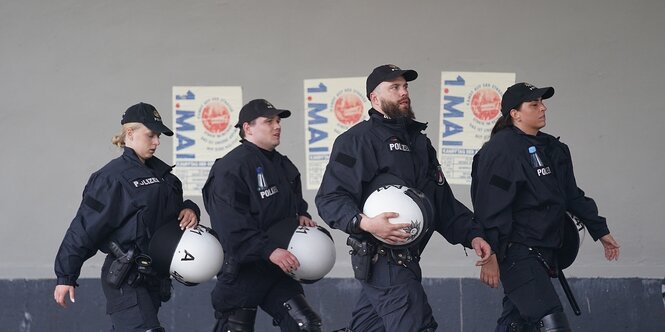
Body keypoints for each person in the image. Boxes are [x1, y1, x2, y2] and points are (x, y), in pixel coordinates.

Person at [315, 64, 493, 332]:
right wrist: (366, 223)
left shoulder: (420, 143)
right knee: (416, 326)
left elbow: (442, 203)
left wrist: (473, 235)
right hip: (382, 259)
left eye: (405, 86)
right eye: (394, 87)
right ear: (375, 98)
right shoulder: (356, 140)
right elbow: (330, 198)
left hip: (409, 258)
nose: (403, 92)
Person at [471, 82, 621, 331]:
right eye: (534, 104)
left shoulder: (554, 148)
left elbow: (571, 195)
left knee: (516, 323)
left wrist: (600, 231)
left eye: (542, 102)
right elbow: (490, 208)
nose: (543, 108)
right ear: (515, 113)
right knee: (550, 321)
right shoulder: (501, 150)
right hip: (517, 253)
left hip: (548, 250)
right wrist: (491, 256)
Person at [53, 102, 200, 332]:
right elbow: (84, 228)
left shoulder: (164, 177)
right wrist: (66, 276)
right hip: (125, 278)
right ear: (130, 134)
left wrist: (191, 209)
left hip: (153, 278)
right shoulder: (111, 178)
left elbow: (172, 213)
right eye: (150, 135)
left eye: (158, 136)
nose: (157, 142)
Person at [202, 99, 323, 332]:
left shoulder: (283, 165)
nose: (277, 126)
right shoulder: (230, 168)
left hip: (278, 269)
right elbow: (230, 227)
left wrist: (302, 216)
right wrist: (268, 250)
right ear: (247, 128)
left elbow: (294, 204)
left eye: (278, 121)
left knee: (307, 324)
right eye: (269, 121)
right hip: (243, 271)